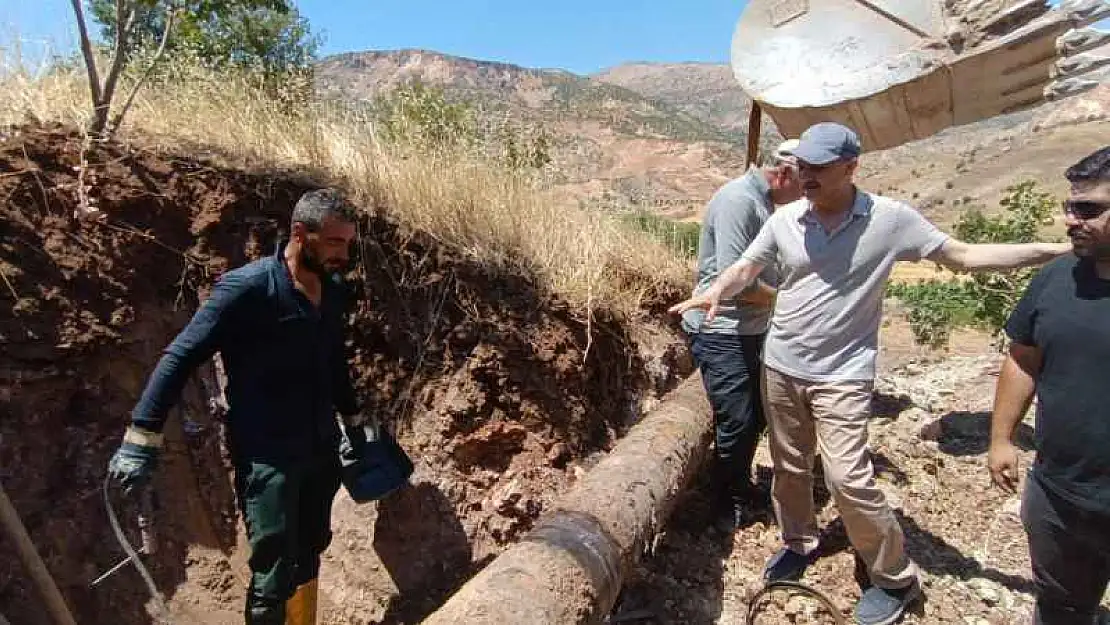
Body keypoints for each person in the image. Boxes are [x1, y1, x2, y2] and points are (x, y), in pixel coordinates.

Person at [669, 121, 1071, 625]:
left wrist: (1053, 252)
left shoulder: (890, 219)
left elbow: (964, 256)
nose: (805, 175)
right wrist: (716, 291)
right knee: (790, 466)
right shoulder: (787, 219)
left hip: (843, 374)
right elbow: (746, 267)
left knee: (848, 478)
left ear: (850, 167)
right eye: (801, 166)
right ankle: (799, 541)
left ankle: (895, 579)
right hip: (782, 364)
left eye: (818, 167)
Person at [107, 188, 363, 625]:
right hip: (269, 458)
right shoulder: (247, 290)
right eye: (335, 242)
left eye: (349, 243)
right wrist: (141, 434)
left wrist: (353, 420)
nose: (344, 253)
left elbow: (332, 359)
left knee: (311, 547)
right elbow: (180, 355)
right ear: (301, 234)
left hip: (320, 449)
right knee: (274, 567)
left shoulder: (333, 291)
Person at [987, 145, 1110, 625]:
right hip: (1061, 497)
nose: (1070, 220)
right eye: (1069, 207)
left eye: (1089, 209)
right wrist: (1000, 438)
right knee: (1061, 609)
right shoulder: (1055, 279)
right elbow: (1023, 359)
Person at [681, 138, 802, 529]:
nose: (806, 194)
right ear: (784, 174)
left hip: (749, 327)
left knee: (756, 415)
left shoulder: (764, 202)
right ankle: (722, 500)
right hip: (723, 329)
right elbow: (737, 284)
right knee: (738, 418)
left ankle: (737, 483)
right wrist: (787, 300)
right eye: (805, 183)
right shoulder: (738, 201)